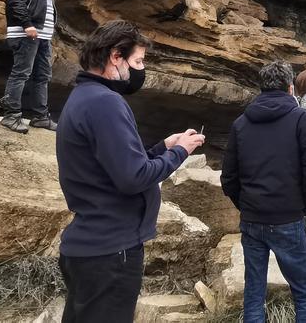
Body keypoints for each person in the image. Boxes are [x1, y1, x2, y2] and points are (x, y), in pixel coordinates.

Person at [55, 20, 204, 322]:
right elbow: (133, 177)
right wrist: (180, 152)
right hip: (110, 252)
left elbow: (115, 167)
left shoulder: (84, 97)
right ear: (115, 57)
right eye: (137, 61)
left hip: (92, 248)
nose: (140, 70)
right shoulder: (106, 103)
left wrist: (163, 146)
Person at [221, 61, 306, 323]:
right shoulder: (301, 118)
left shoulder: (241, 123)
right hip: (289, 217)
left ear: (261, 87)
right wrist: (305, 206)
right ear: (290, 87)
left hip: (252, 219)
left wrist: (246, 205)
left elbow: (229, 178)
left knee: (254, 292)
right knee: (302, 292)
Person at [1, 0, 61, 133]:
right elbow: (16, 1)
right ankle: (11, 117)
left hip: (42, 36)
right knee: (21, 74)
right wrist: (27, 24)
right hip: (27, 34)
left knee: (42, 76)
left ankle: (40, 117)